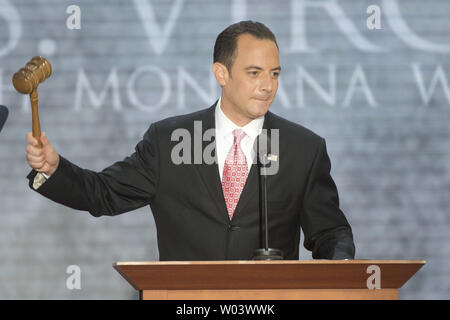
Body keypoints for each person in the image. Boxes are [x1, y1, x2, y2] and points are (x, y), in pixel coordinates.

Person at [25, 21, 355, 260]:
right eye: (254, 73)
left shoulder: (303, 149)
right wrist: (54, 169)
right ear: (221, 74)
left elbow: (329, 233)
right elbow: (102, 194)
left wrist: (340, 272)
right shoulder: (168, 141)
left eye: (275, 74)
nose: (267, 86)